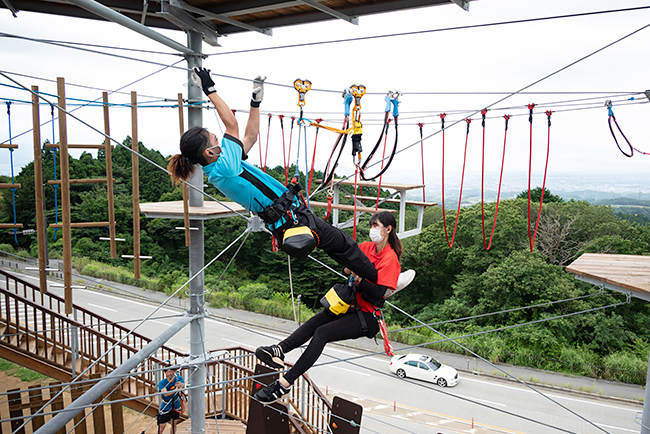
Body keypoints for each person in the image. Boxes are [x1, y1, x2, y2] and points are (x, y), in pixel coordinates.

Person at [167, 67, 379, 283]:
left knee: (336, 246)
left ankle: (366, 277)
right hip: (290, 217)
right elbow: (232, 124)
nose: (219, 140)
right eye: (215, 140)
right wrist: (209, 88)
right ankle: (381, 283)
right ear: (208, 152)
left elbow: (250, 137)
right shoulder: (226, 169)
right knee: (344, 244)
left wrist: (255, 103)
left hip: (288, 218)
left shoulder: (222, 167)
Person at [253, 211, 404, 404]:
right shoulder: (366, 247)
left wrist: (357, 275)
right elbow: (347, 267)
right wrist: (353, 271)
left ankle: (284, 383)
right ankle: (279, 350)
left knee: (322, 333)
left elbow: (377, 293)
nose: (372, 229)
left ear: (388, 229)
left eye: (376, 226)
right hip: (350, 304)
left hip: (366, 315)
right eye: (372, 225)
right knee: (317, 320)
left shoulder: (390, 259)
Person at [157, 365, 185, 434]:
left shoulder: (178, 378)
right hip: (166, 404)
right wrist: (176, 389)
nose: (169, 374)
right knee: (162, 426)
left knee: (174, 424)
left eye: (171, 371)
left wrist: (180, 384)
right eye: (167, 372)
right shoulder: (162, 383)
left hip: (175, 404)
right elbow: (165, 393)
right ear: (165, 373)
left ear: (174, 371)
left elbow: (183, 385)